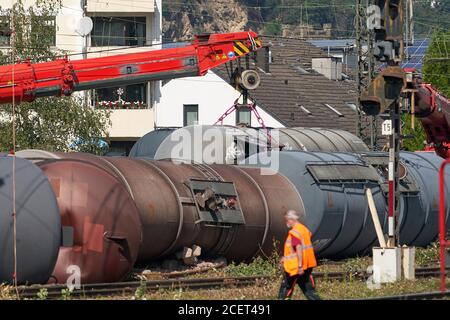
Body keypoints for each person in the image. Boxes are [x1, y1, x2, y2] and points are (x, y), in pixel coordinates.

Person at [278, 210, 321, 300]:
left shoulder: (295, 232)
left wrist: (300, 265)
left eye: (287, 220)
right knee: (308, 290)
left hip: (296, 267)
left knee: (286, 287)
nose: (287, 222)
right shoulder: (303, 229)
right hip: (306, 265)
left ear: (291, 219)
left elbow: (299, 248)